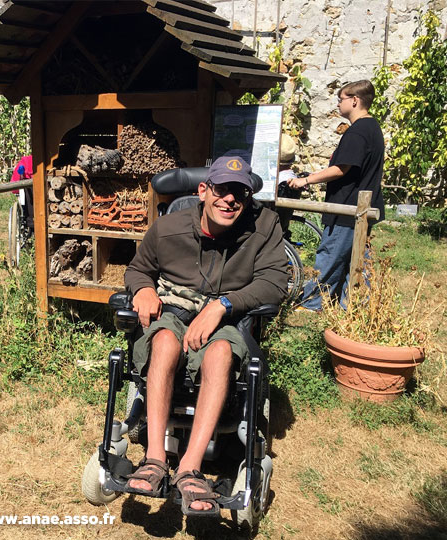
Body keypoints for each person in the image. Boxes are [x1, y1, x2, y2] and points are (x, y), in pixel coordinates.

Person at [123, 156, 287, 514]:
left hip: (228, 317)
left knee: (221, 354)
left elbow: (275, 284)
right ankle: (154, 459)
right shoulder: (169, 228)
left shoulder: (264, 226)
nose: (230, 200)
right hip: (175, 309)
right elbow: (139, 268)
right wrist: (142, 291)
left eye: (240, 193)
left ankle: (189, 467)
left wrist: (222, 305)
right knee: (164, 342)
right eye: (222, 190)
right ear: (203, 191)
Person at [287, 80, 385, 310]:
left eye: (341, 99)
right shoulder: (373, 128)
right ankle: (355, 308)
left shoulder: (358, 132)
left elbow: (342, 168)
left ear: (355, 100)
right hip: (362, 206)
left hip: (347, 208)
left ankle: (312, 305)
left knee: (330, 258)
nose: (338, 104)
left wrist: (306, 179)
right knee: (358, 261)